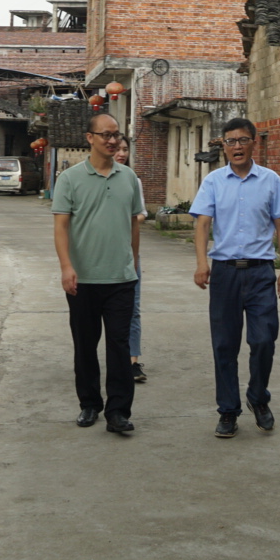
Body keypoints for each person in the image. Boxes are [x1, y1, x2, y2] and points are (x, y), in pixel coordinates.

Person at [190, 117, 280, 439]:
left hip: (261, 272)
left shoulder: (271, 180)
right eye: (230, 141)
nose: (237, 146)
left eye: (242, 140)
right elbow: (202, 223)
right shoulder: (213, 182)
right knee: (225, 345)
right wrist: (202, 263)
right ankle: (228, 410)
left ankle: (258, 398)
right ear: (224, 146)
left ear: (253, 143)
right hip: (225, 273)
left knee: (264, 340)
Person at [52, 112, 143, 435]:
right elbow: (61, 227)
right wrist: (66, 267)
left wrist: (133, 262)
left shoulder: (128, 177)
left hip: (121, 279)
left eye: (115, 134)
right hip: (83, 279)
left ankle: (118, 412)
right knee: (85, 345)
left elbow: (134, 223)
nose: (112, 140)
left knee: (119, 346)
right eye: (105, 134)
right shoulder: (70, 179)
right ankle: (89, 403)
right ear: (90, 138)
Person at [115, 135, 149, 383]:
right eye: (118, 149)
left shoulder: (133, 181)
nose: (121, 153)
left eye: (125, 149)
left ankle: (133, 361)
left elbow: (142, 214)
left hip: (129, 254)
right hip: (102, 256)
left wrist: (124, 219)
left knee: (133, 309)